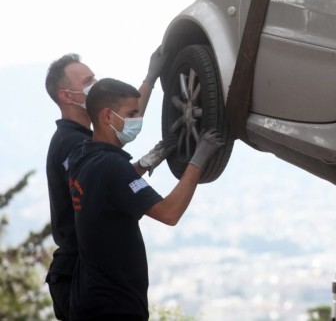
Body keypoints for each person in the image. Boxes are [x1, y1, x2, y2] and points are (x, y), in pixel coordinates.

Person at [67, 78, 224, 321]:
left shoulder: (81, 157)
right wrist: (198, 161)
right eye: (132, 113)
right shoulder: (111, 166)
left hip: (88, 300)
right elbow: (169, 213)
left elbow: (109, 185)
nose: (138, 120)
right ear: (108, 116)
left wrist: (145, 162)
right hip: (114, 308)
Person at [44, 49, 171, 320]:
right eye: (87, 81)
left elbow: (125, 116)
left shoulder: (85, 139)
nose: (95, 86)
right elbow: (100, 183)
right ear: (66, 96)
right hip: (80, 276)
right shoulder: (71, 144)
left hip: (88, 275)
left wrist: (149, 80)